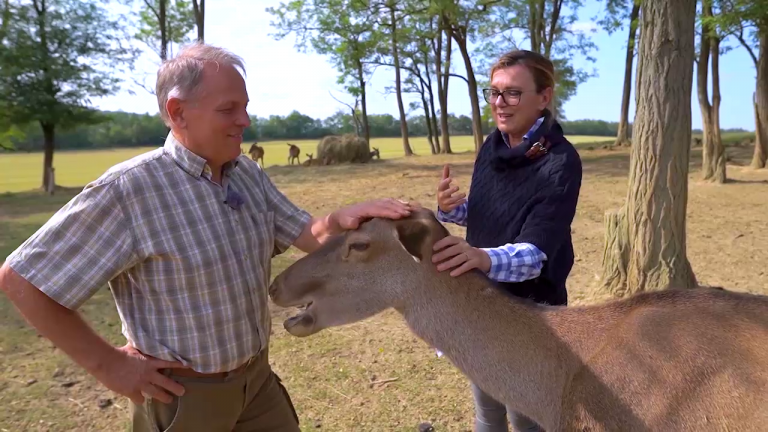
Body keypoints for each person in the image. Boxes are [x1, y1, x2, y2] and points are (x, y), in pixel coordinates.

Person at [0, 42, 412, 432]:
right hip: (183, 397)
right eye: (229, 109)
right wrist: (109, 366)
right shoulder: (130, 190)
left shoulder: (245, 173)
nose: (245, 121)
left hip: (257, 382)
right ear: (178, 111)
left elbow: (306, 232)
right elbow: (22, 280)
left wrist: (341, 219)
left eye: (245, 107)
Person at [431, 49, 583, 432]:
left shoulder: (560, 162)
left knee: (526, 419)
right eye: (494, 92)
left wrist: (479, 257)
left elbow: (536, 254)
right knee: (488, 413)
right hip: (481, 306)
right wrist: (452, 209)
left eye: (513, 93)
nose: (499, 103)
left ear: (544, 97)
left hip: (530, 316)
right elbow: (487, 215)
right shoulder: (492, 146)